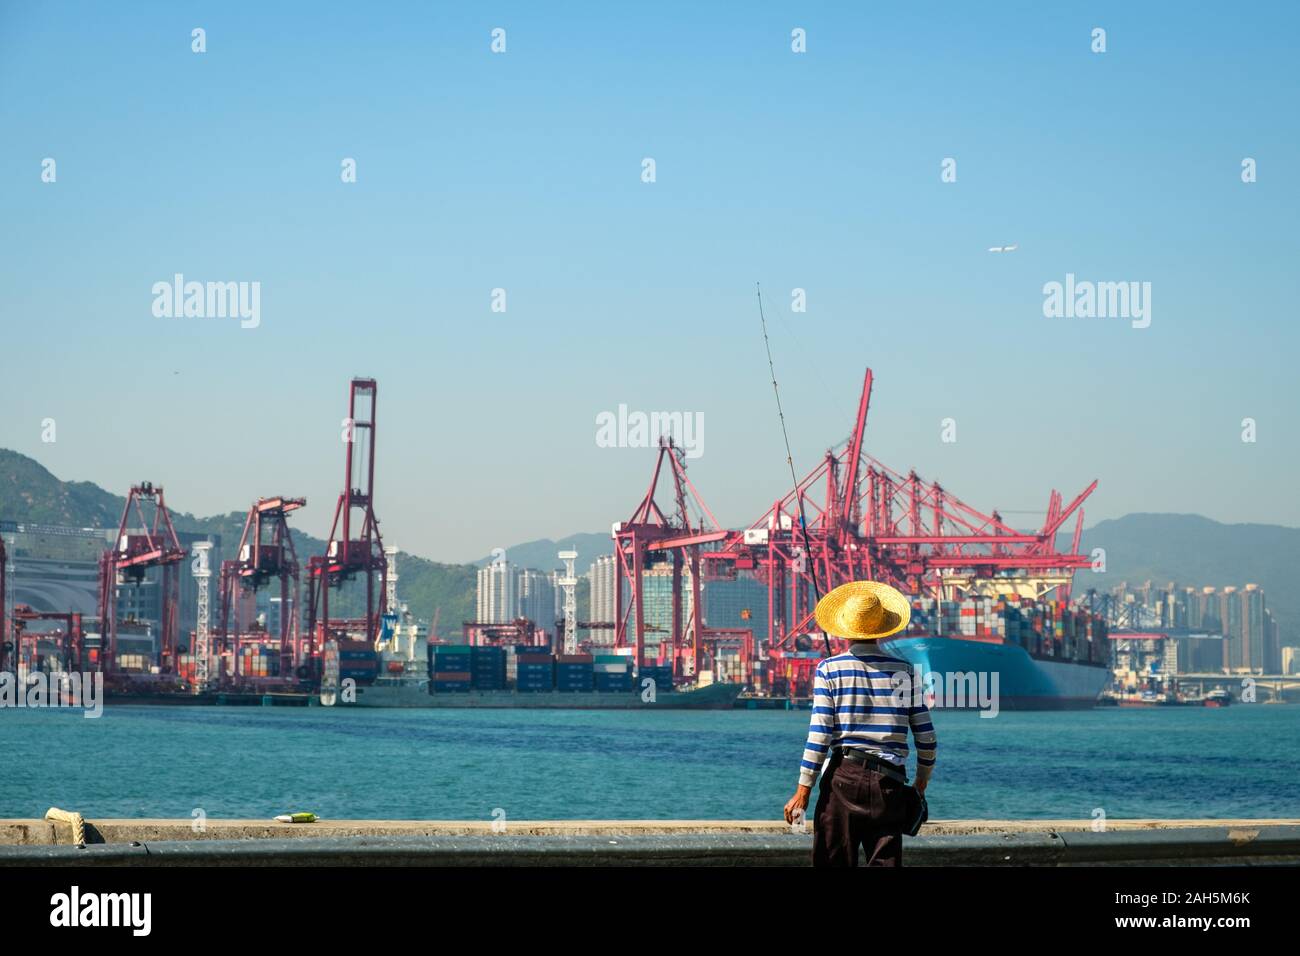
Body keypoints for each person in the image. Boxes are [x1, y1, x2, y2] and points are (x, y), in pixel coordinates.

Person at [783, 580, 937, 867]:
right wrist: (921, 782)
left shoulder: (829, 670)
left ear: (844, 630)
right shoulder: (905, 671)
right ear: (883, 628)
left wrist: (803, 790)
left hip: (843, 779)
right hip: (890, 783)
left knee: (833, 860)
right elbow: (926, 737)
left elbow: (819, 737)